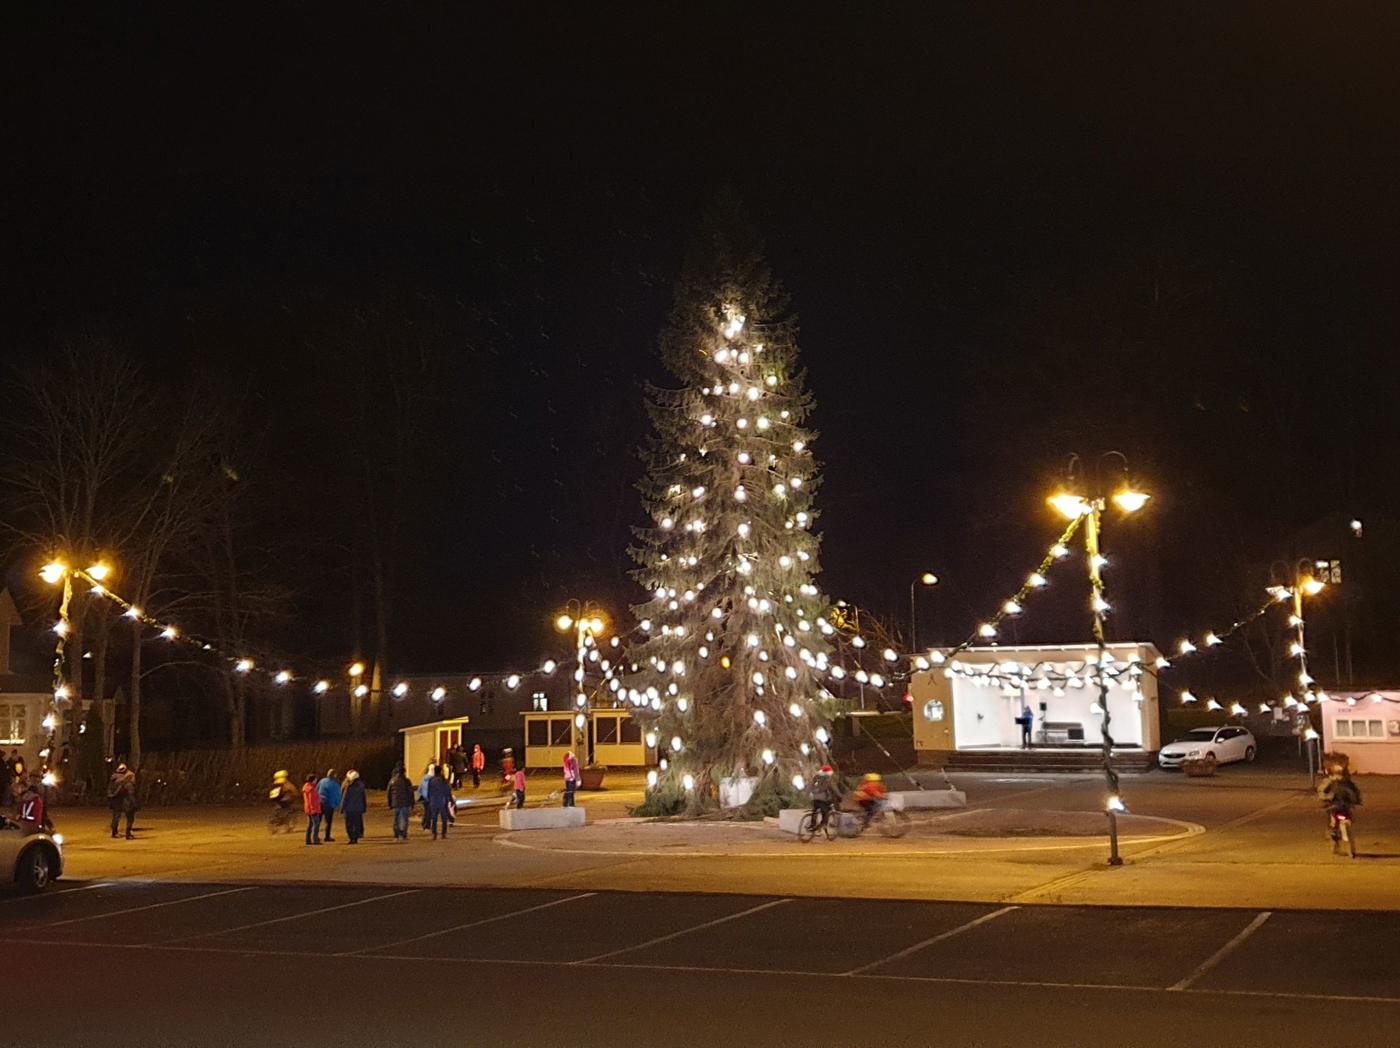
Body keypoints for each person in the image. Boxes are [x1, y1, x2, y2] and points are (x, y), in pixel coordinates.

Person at [1318, 765, 1362, 845]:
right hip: (1334, 805)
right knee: (1332, 818)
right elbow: (1321, 791)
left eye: (1341, 773)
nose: (1340, 776)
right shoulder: (1329, 782)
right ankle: (1332, 830)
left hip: (1346, 805)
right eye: (1338, 773)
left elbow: (1356, 792)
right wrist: (1327, 797)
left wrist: (1357, 800)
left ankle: (1345, 830)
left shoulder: (1348, 783)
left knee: (1350, 816)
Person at [107, 762, 137, 839]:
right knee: (130, 817)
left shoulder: (113, 779)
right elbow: (131, 793)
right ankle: (128, 833)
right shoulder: (127, 780)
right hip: (126, 800)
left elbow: (109, 791)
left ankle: (114, 832)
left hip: (115, 800)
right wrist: (135, 803)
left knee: (116, 816)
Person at [386, 763, 415, 841]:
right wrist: (412, 802)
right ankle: (403, 834)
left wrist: (390, 803)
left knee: (396, 819)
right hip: (405, 802)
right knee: (404, 819)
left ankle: (396, 834)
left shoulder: (392, 781)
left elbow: (388, 793)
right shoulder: (407, 781)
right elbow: (410, 793)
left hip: (395, 803)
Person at [810, 764, 841, 831]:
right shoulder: (828, 778)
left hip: (814, 797)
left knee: (815, 810)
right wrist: (840, 796)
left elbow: (811, 786)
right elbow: (834, 789)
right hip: (823, 799)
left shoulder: (816, 777)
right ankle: (820, 826)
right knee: (825, 813)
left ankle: (812, 824)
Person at [427, 763, 453, 839]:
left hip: (433, 801)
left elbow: (429, 791)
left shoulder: (431, 780)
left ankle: (434, 834)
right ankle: (443, 834)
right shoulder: (443, 780)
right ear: (440, 771)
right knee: (444, 818)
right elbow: (447, 790)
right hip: (442, 801)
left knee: (434, 818)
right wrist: (450, 799)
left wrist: (429, 800)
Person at [341, 769, 367, 844]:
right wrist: (364, 807)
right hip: (358, 808)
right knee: (357, 823)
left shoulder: (347, 786)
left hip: (349, 808)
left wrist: (342, 808)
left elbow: (344, 797)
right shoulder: (361, 786)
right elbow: (363, 797)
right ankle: (355, 837)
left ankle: (351, 837)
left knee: (349, 824)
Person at [317, 768, 342, 842]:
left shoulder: (322, 781)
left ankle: (315, 835)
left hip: (320, 802)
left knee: (318, 820)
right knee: (328, 821)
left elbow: (317, 789)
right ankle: (327, 836)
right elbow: (337, 795)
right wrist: (337, 805)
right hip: (329, 804)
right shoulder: (335, 784)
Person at [302, 773, 323, 845]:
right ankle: (315, 839)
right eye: (315, 779)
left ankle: (308, 840)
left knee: (310, 825)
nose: (316, 780)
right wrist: (313, 809)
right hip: (313, 809)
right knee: (316, 824)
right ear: (313, 780)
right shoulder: (311, 789)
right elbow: (311, 800)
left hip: (309, 809)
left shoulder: (307, 788)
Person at [418, 762, 435, 830]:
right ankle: (427, 825)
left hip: (424, 798)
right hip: (431, 798)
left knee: (426, 811)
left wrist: (422, 794)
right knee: (429, 812)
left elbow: (420, 788)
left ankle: (424, 822)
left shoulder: (424, 778)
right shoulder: (433, 779)